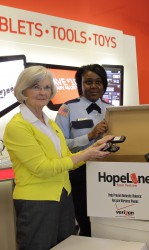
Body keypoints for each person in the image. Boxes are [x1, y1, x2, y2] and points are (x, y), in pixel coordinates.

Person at [3, 66, 113, 250]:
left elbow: (66, 157)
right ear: (23, 90)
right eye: (36, 87)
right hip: (37, 201)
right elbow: (43, 167)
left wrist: (94, 148)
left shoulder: (49, 123)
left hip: (63, 196)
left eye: (47, 87)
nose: (43, 92)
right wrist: (87, 153)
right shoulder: (18, 126)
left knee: (66, 245)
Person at [55, 64, 111, 237]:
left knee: (107, 219)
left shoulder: (113, 109)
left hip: (108, 172)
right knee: (84, 220)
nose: (94, 86)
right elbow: (60, 144)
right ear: (80, 84)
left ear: (104, 85)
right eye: (88, 82)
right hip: (79, 172)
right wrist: (89, 136)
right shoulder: (67, 109)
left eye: (98, 82)